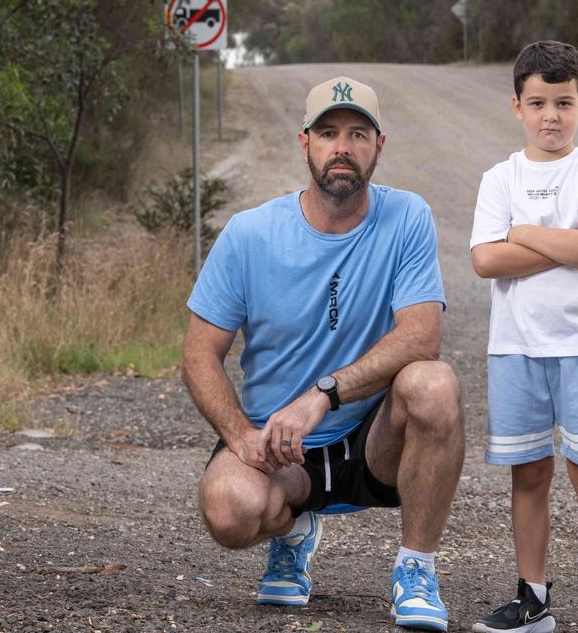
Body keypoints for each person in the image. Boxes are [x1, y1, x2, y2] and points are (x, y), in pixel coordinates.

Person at [182, 75, 465, 632]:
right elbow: (198, 354)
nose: (343, 147)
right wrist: (242, 438)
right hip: (278, 444)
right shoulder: (249, 234)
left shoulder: (407, 216)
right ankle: (291, 533)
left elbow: (421, 335)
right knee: (228, 510)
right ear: (304, 142)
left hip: (372, 440)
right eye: (328, 133)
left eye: (358, 134)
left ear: (378, 147)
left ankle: (417, 570)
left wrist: (323, 394)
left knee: (434, 383)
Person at [468, 41, 578, 633]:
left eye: (563, 103)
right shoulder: (500, 177)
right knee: (529, 473)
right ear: (516, 106)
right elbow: (486, 262)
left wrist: (525, 233)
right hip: (516, 348)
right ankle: (532, 600)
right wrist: (559, 239)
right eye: (537, 102)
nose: (551, 116)